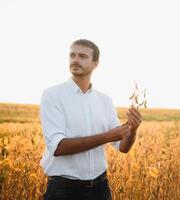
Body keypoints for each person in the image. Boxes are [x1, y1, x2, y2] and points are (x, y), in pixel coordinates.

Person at [40, 39, 142, 200]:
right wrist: (108, 136)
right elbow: (58, 147)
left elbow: (122, 147)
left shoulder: (105, 100)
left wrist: (133, 130)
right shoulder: (52, 95)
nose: (75, 59)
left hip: (100, 188)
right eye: (72, 55)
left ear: (95, 63)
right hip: (64, 191)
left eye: (82, 56)